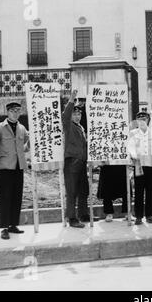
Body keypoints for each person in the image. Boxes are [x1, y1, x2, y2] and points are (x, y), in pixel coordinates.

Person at [0, 102, 30, 239]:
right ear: (8, 112)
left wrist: (31, 142)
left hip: (19, 167)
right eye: (13, 111)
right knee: (5, 197)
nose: (16, 113)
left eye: (18, 111)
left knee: (17, 197)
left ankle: (13, 225)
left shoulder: (22, 128)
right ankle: (4, 228)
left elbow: (26, 147)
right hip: (5, 167)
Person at [62, 90, 97, 228]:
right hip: (71, 163)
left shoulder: (81, 127)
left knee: (83, 190)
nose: (77, 116)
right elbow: (65, 116)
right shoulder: (68, 126)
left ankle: (83, 214)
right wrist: (71, 100)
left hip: (82, 163)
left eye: (79, 113)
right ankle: (72, 218)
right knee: (72, 192)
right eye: (74, 114)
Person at [127, 111, 152, 225]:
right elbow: (130, 147)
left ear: (148, 120)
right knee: (138, 191)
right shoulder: (133, 133)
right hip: (138, 165)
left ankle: (149, 215)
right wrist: (134, 156)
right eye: (139, 119)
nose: (142, 121)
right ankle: (138, 216)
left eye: (144, 119)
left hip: (150, 165)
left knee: (150, 192)